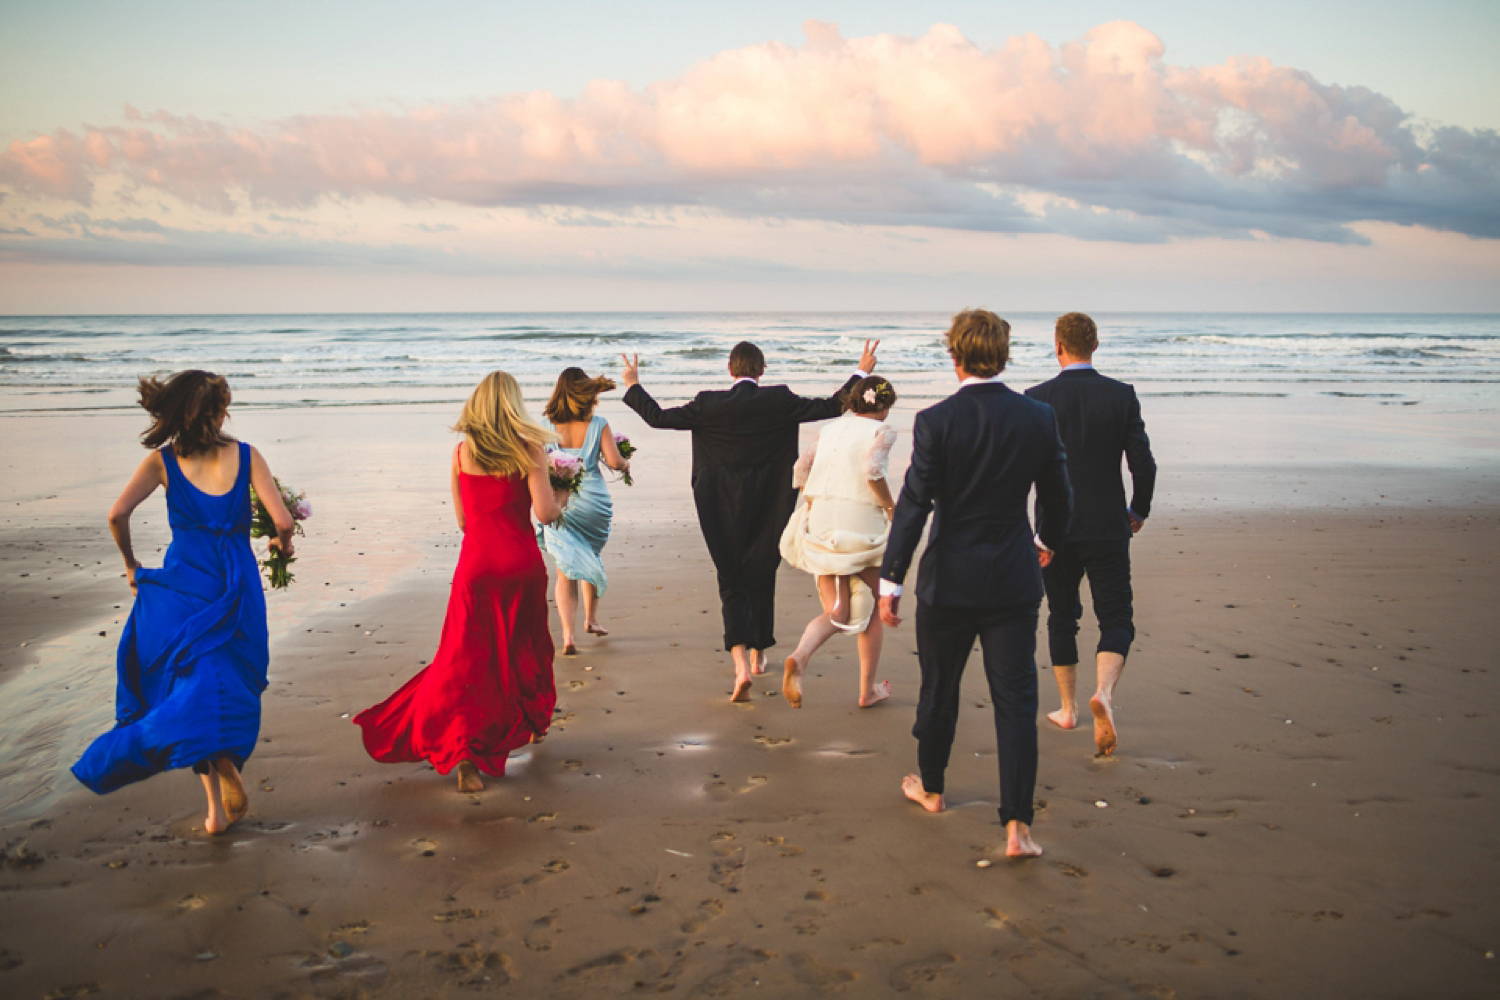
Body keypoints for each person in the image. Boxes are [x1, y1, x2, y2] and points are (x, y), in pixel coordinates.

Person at [878, 310, 1071, 859]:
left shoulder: (937, 420)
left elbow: (915, 502)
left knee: (940, 688)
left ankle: (933, 789)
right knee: (1016, 701)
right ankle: (1017, 828)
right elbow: (1059, 493)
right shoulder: (1037, 416)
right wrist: (1046, 539)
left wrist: (892, 580)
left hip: (949, 581)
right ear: (1004, 355)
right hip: (1013, 576)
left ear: (954, 355)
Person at [71, 370, 296, 835]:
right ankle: (226, 759)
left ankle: (214, 810)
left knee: (189, 682)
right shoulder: (248, 456)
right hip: (234, 586)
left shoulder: (162, 462)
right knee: (233, 678)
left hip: (184, 585)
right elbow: (283, 521)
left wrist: (132, 565)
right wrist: (280, 546)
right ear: (216, 412)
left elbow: (116, 514)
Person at [622, 339, 878, 703]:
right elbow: (833, 405)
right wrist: (861, 370)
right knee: (762, 569)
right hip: (771, 499)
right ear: (762, 370)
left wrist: (633, 384)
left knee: (731, 576)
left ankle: (741, 664)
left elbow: (659, 417)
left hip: (718, 502)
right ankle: (759, 655)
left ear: (730, 370)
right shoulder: (780, 400)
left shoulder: (708, 404)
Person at [354, 371, 563, 793]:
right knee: (523, 646)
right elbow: (545, 514)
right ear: (513, 406)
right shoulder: (530, 450)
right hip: (520, 565)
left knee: (466, 658)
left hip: (476, 568)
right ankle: (531, 724)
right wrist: (562, 495)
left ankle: (465, 751)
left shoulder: (460, 453)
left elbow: (465, 521)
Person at [1025, 312, 1157, 757]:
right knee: (1116, 617)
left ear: (1057, 347)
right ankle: (1104, 693)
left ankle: (1067, 709)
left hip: (1054, 532)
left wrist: (1032, 529)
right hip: (1107, 525)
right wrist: (1137, 510)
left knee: (1063, 615)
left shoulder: (1036, 399)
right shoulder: (1121, 396)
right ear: (1095, 346)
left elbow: (1025, 469)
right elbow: (1144, 462)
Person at [778, 375, 900, 709]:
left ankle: (801, 656)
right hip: (861, 524)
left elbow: (800, 470)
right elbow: (873, 470)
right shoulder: (882, 431)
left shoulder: (830, 430)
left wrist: (815, 501)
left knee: (838, 610)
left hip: (823, 522)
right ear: (885, 406)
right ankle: (867, 689)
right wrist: (891, 507)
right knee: (876, 604)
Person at [539, 368, 632, 655]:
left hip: (559, 498)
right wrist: (625, 462)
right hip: (593, 501)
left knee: (565, 568)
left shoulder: (545, 424)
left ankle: (568, 636)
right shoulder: (598, 423)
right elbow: (615, 463)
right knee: (590, 554)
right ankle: (591, 619)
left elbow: (539, 465)